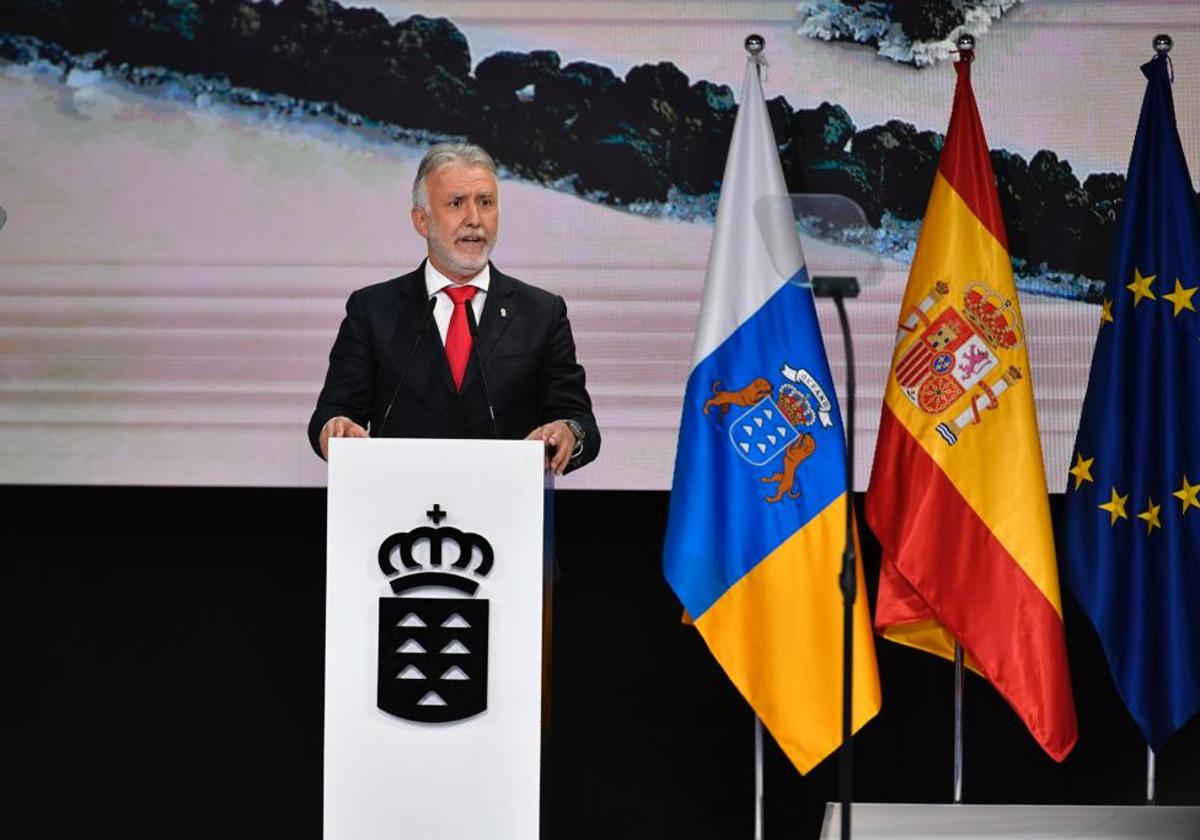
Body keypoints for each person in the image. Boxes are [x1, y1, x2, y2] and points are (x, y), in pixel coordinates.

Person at [308, 143, 600, 474]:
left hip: (506, 507)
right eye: (456, 203)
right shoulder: (372, 310)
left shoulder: (542, 313)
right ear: (422, 221)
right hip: (398, 504)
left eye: (485, 203)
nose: (474, 219)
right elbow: (332, 411)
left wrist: (567, 433)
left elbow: (581, 423)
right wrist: (336, 427)